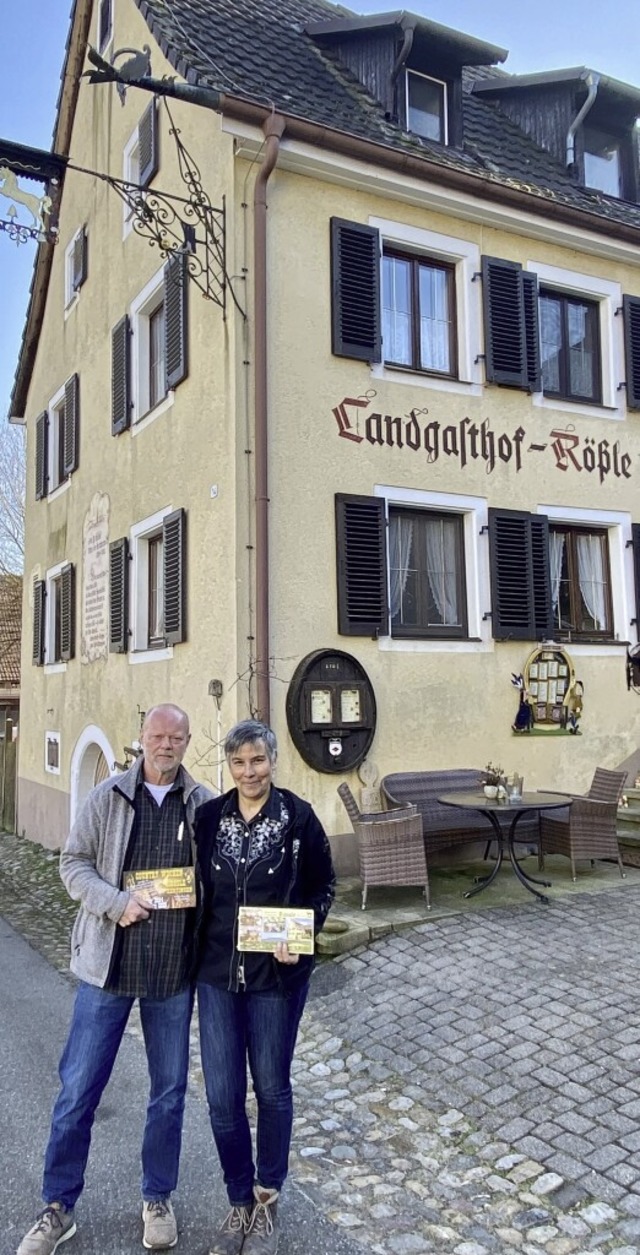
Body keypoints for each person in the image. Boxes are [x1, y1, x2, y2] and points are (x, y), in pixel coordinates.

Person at [18, 704, 212, 1255]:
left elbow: (215, 880)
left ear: (187, 741)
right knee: (78, 1089)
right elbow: (72, 863)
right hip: (108, 969)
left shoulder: (201, 805)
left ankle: (157, 1198)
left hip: (172, 974)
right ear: (142, 739)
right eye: (158, 735)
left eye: (176, 737)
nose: (166, 745)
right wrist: (116, 903)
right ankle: (58, 1205)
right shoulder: (108, 797)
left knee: (170, 1094)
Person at [194, 719, 336, 1255]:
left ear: (272, 761)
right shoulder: (208, 819)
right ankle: (238, 1199)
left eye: (257, 760)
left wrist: (301, 933)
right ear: (228, 767)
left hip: (276, 977)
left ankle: (267, 1195)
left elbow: (325, 886)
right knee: (222, 1098)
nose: (249, 771)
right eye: (238, 763)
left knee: (272, 1089)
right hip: (216, 977)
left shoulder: (298, 819)